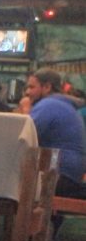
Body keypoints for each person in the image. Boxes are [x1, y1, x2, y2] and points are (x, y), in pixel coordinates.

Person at [24, 68, 86, 199]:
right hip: (71, 177)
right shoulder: (64, 105)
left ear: (47, 87)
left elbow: (24, 137)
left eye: (31, 87)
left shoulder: (48, 105)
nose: (27, 92)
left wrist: (25, 111)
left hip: (59, 178)